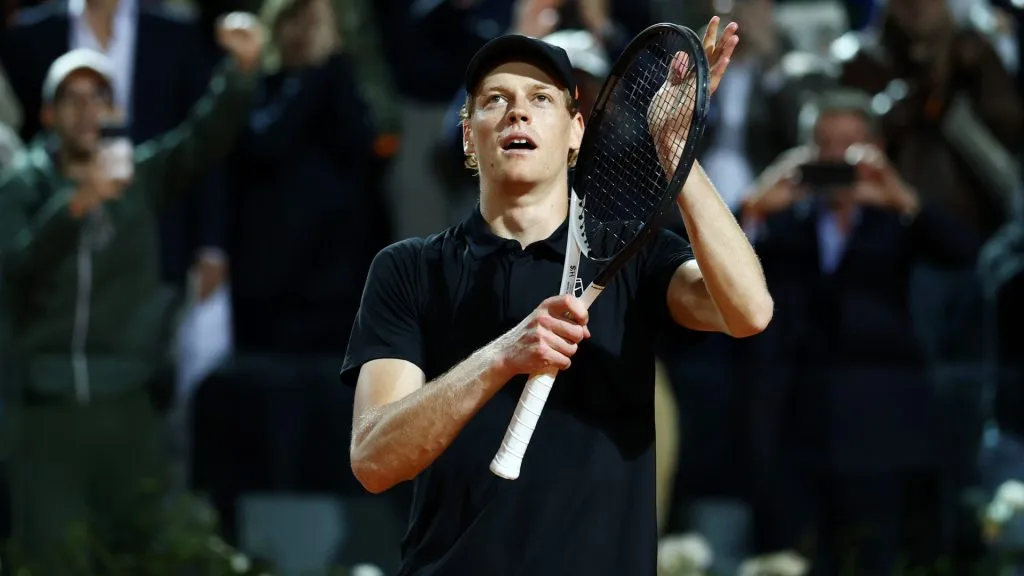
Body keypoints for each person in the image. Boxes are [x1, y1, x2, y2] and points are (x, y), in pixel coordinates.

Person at [342, 16, 772, 575]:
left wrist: (673, 146)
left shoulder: (631, 254)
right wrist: (502, 357)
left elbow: (748, 312)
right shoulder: (408, 269)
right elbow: (374, 459)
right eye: (495, 99)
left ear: (575, 132)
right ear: (469, 135)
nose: (518, 111)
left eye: (541, 99)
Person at [0, 13, 263, 570]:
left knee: (138, 556)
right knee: (51, 558)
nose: (86, 110)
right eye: (70, 99)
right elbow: (16, 267)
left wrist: (239, 72)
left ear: (115, 112)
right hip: (47, 410)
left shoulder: (138, 179)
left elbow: (203, 140)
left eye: (99, 97)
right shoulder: (21, 185)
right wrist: (75, 206)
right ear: (46, 115)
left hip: (127, 403)